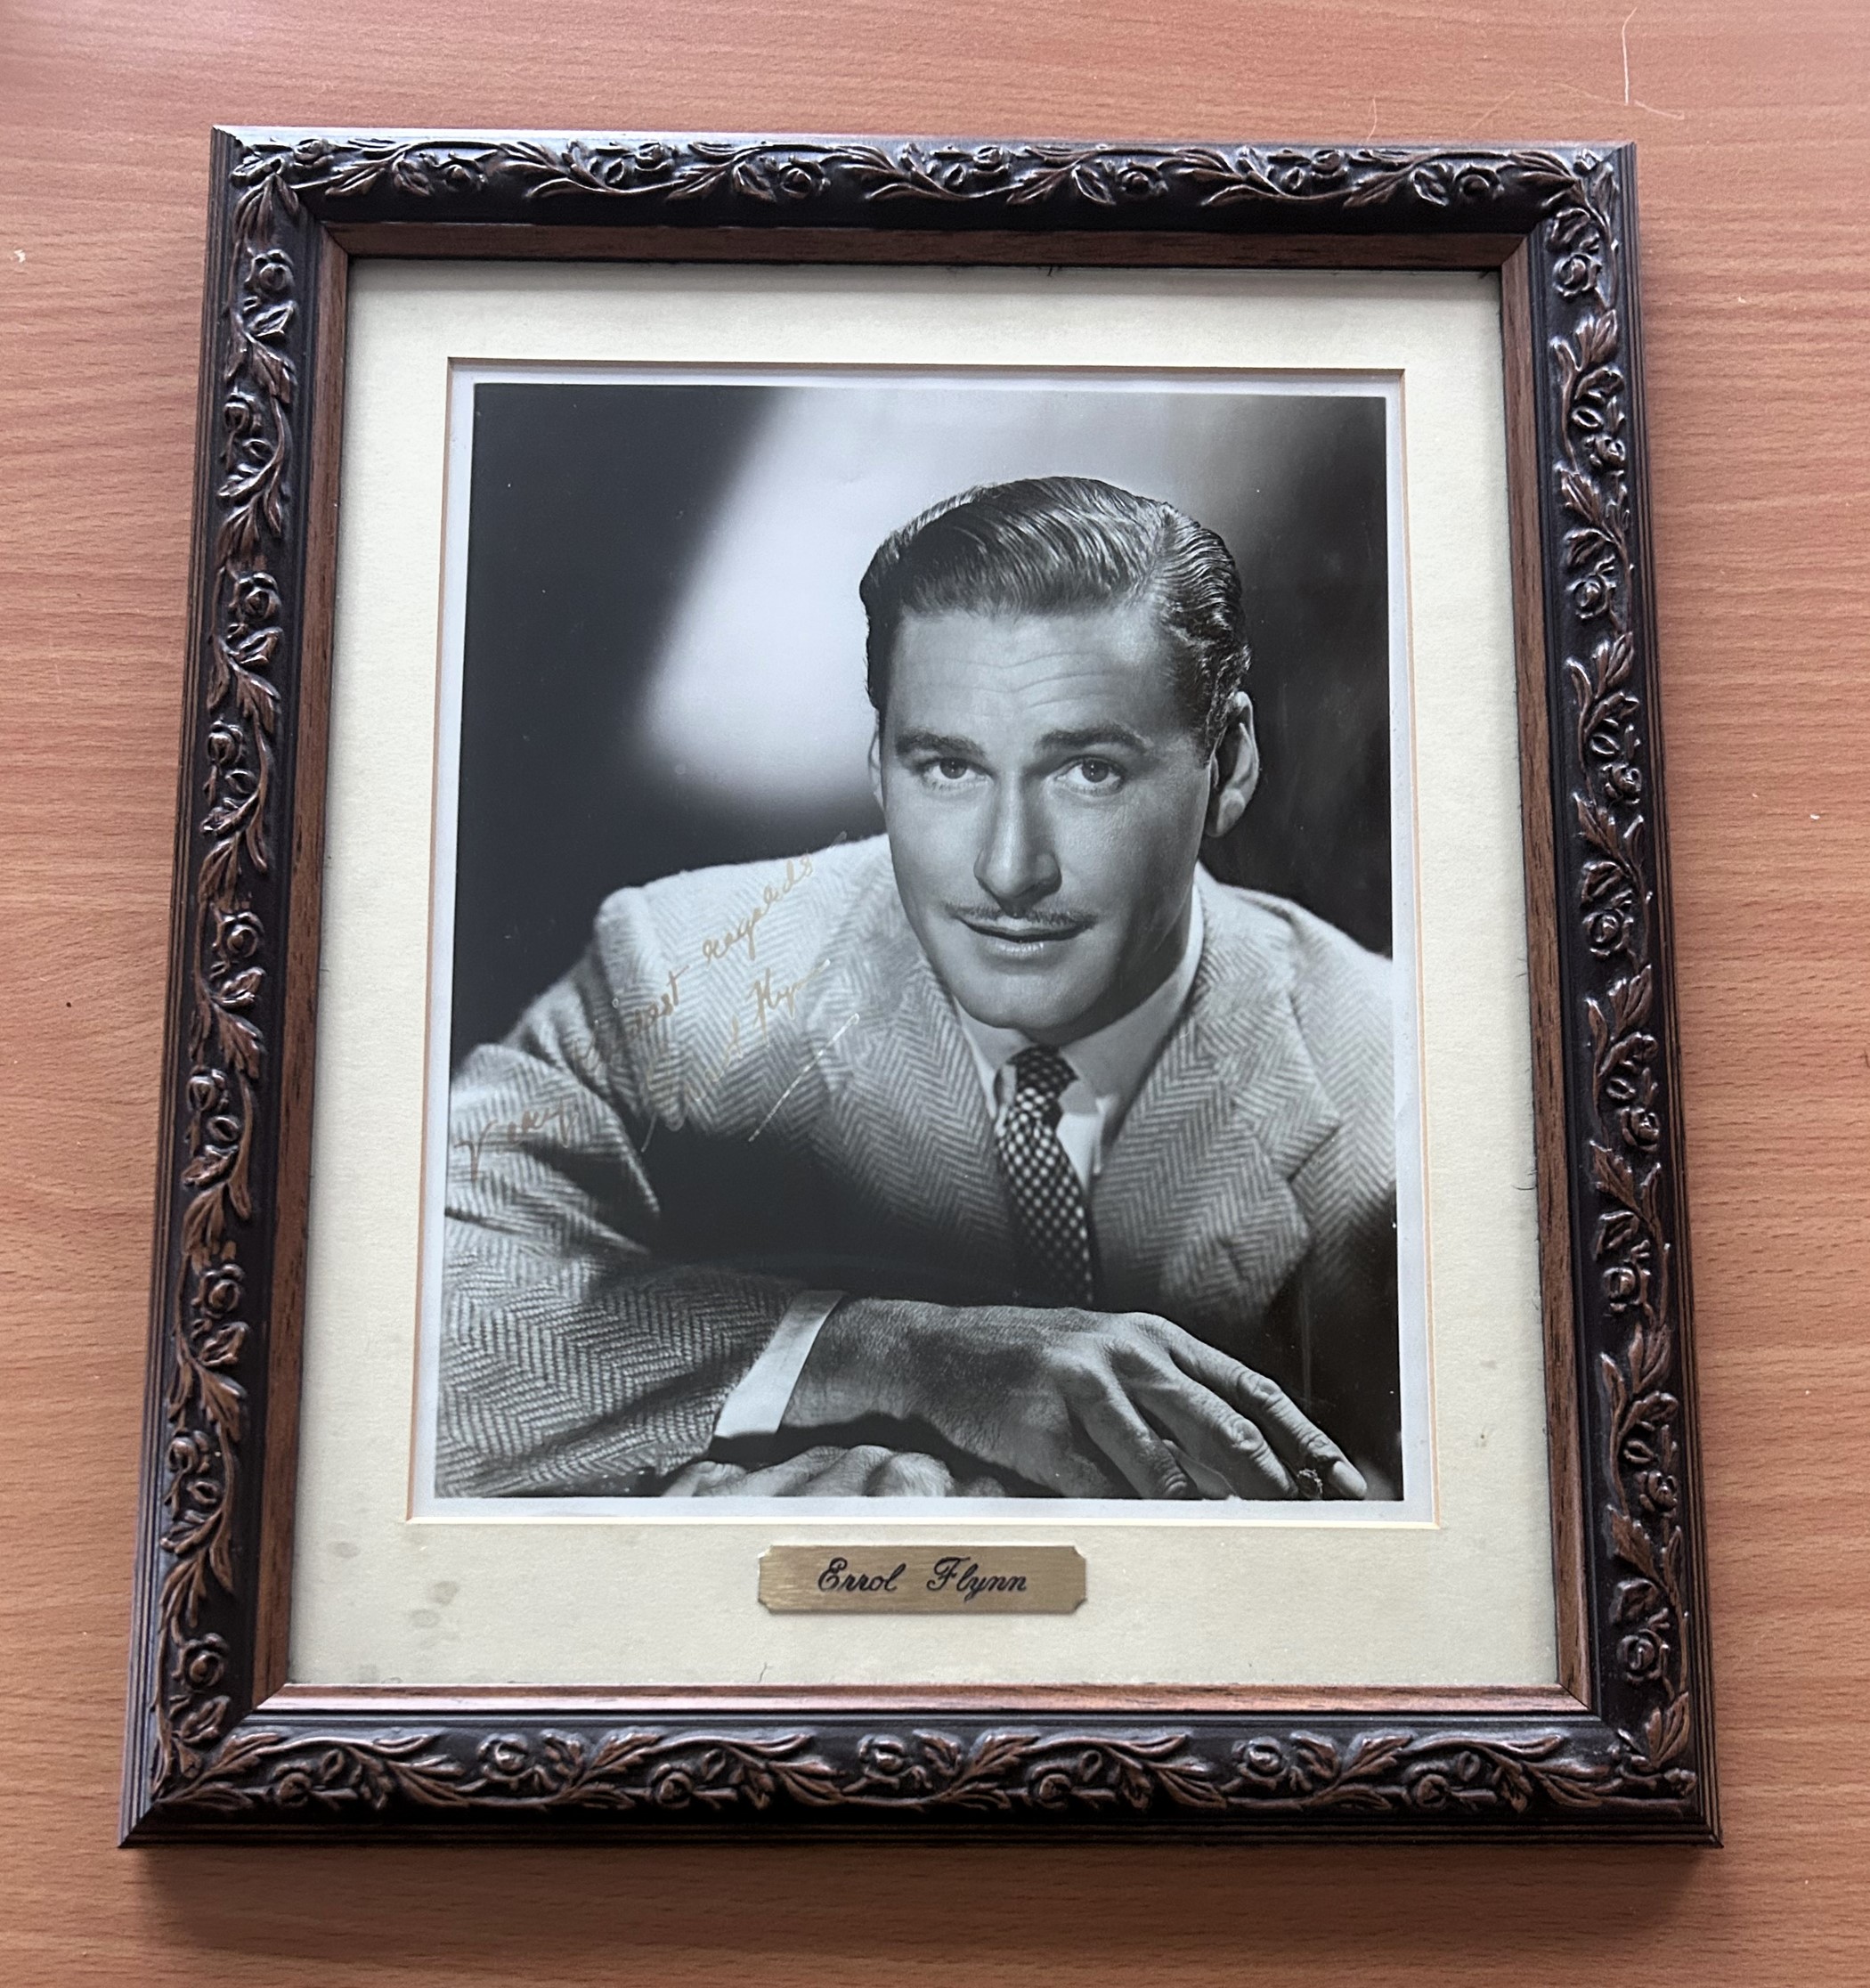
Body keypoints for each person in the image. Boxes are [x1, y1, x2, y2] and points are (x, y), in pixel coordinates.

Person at [438, 477, 1398, 1502]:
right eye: (947, 768)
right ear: (879, 765)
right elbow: (411, 1330)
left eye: (1089, 772)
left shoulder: (1400, 1083)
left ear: (1232, 763)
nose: (1008, 870)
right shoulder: (675, 976)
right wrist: (891, 1352)